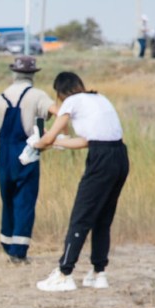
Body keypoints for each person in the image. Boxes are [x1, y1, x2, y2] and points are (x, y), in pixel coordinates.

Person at [31, 72, 130, 292]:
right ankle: (98, 272)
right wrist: (57, 143)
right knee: (103, 218)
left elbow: (48, 137)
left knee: (81, 216)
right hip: (120, 156)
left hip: (100, 159)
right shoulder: (99, 98)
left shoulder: (71, 102)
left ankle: (64, 273)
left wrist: (38, 144)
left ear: (60, 92)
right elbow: (88, 141)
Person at [0, 55, 56, 264]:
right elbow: (56, 112)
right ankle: (19, 251)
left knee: (7, 200)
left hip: (6, 154)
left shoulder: (1, 97)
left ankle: (7, 245)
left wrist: (5, 149)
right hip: (27, 153)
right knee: (24, 202)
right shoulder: (37, 95)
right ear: (33, 74)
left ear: (14, 73)